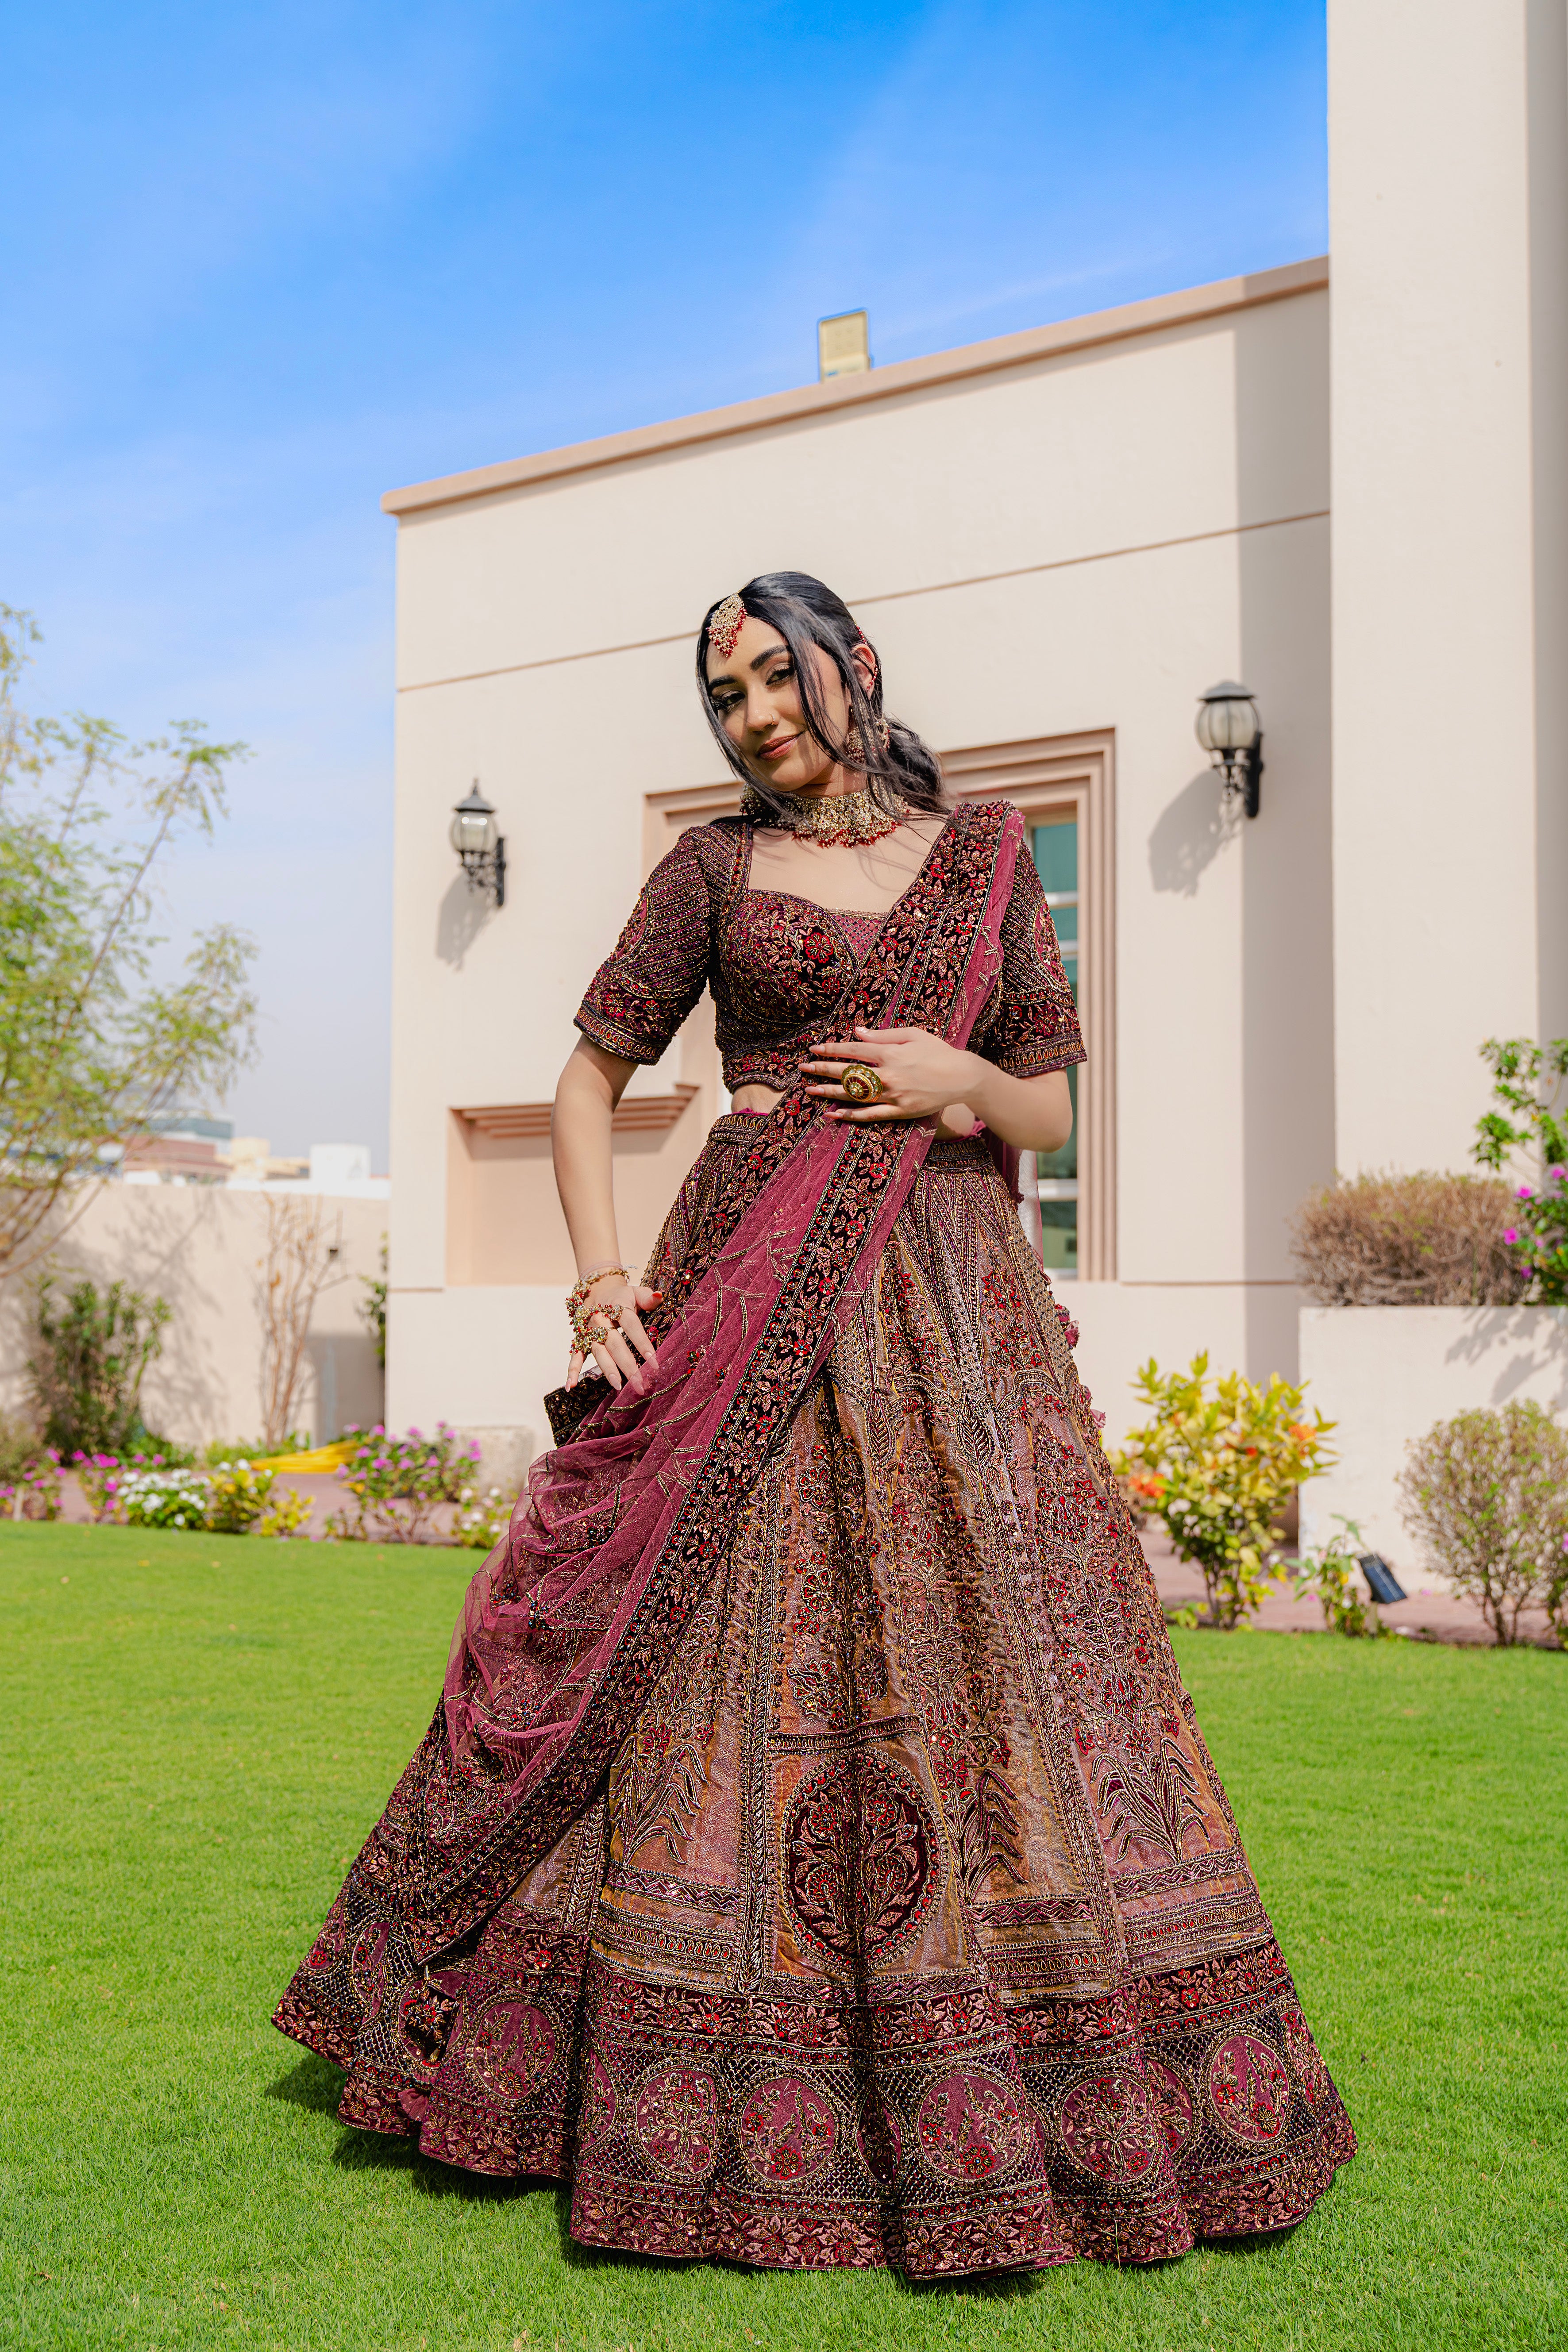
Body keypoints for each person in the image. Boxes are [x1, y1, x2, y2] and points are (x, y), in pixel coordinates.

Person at [275, 571, 1353, 2275]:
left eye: (782, 678)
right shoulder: (710, 869)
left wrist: (956, 1086)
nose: (760, 716)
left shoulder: (993, 856)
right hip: (747, 1288)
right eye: (729, 699)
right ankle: (607, 2072)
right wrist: (598, 1277)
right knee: (691, 1652)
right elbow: (585, 1077)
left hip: (950, 1296)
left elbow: (1051, 1104)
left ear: (855, 667)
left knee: (990, 1659)